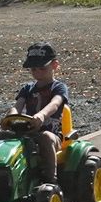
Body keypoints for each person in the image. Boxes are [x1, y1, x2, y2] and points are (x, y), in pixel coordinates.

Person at [11, 42, 68, 185]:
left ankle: (51, 179)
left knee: (45, 137)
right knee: (2, 136)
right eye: (33, 69)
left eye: (42, 68)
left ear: (55, 65)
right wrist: (10, 116)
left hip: (53, 135)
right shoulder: (27, 88)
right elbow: (17, 106)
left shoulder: (58, 87)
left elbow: (55, 104)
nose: (37, 72)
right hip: (28, 132)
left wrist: (42, 115)